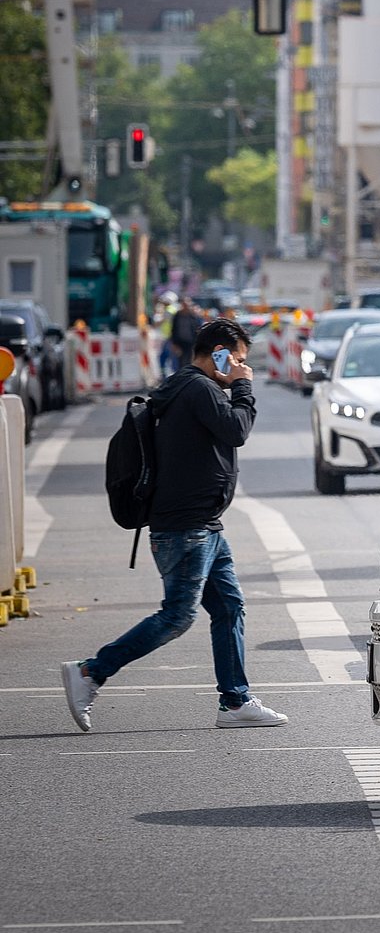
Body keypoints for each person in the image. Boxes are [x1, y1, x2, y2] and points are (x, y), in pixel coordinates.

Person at [61, 318, 288, 732]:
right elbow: (236, 430)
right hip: (186, 528)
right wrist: (242, 386)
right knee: (177, 616)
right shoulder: (199, 388)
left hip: (202, 525)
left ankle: (235, 702)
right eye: (236, 358)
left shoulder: (186, 386)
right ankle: (92, 672)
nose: (241, 366)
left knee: (229, 607)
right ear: (218, 354)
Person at [166, 300, 203, 375]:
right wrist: (174, 343)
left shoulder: (193, 316)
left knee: (190, 360)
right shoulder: (177, 316)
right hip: (180, 342)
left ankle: (188, 375)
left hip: (191, 342)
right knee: (181, 361)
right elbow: (173, 329)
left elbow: (197, 329)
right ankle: (182, 375)